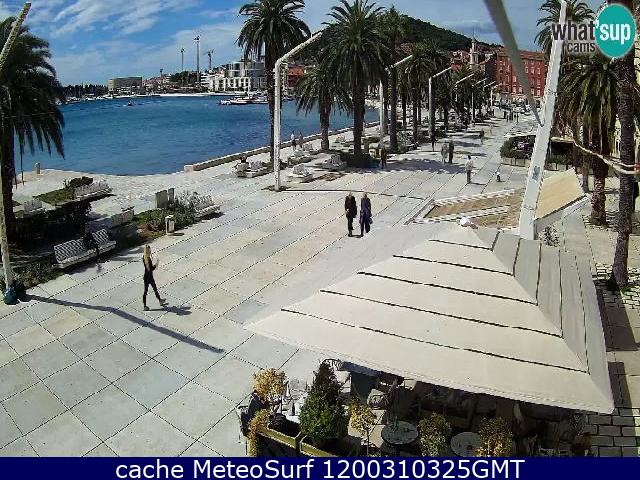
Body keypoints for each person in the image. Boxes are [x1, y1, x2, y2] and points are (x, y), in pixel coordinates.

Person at [142, 245, 165, 311]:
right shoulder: (148, 259)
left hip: (146, 277)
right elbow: (151, 269)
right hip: (150, 277)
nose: (150, 252)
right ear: (148, 251)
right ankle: (160, 301)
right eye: (149, 251)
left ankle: (145, 306)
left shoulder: (144, 257)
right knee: (155, 289)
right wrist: (156, 264)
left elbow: (148, 268)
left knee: (145, 291)